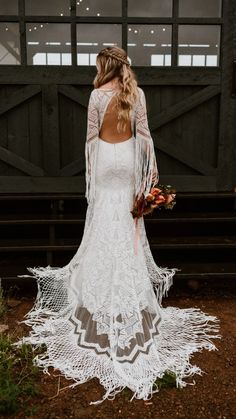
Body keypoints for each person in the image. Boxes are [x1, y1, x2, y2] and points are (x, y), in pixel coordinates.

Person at [17, 46, 221, 404]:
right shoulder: (136, 93)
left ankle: (97, 302)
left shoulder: (96, 95)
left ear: (105, 65)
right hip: (127, 160)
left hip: (106, 160)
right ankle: (130, 298)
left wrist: (92, 182)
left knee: (102, 222)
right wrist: (148, 175)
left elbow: (90, 140)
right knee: (127, 226)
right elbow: (144, 135)